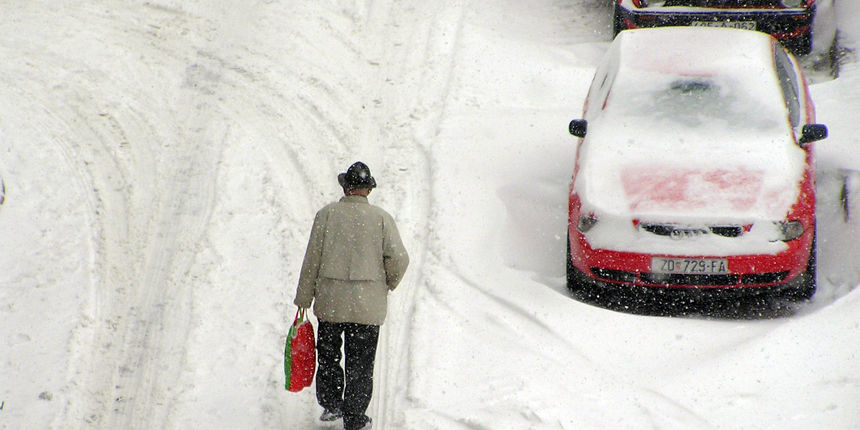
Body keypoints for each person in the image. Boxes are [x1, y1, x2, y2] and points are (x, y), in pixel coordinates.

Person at [294, 161, 410, 430]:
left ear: (346, 187)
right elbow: (400, 259)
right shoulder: (381, 219)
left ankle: (332, 406)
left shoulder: (326, 215)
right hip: (366, 307)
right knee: (361, 364)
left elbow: (313, 259)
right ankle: (355, 417)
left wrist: (303, 298)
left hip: (331, 303)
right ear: (368, 190)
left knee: (329, 357)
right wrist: (385, 284)